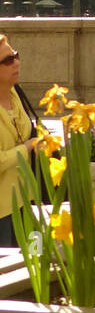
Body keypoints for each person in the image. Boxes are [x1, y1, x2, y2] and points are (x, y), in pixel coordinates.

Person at [0, 36, 40, 249]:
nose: (17, 62)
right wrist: (28, 147)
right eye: (7, 60)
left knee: (38, 262)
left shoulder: (15, 92)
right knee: (8, 278)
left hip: (30, 201)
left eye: (15, 56)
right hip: (3, 213)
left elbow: (27, 131)